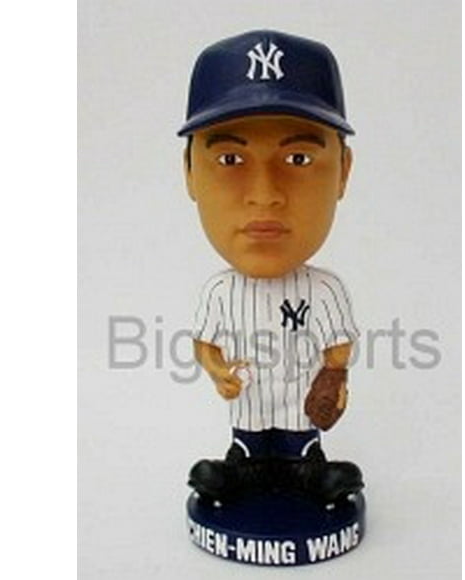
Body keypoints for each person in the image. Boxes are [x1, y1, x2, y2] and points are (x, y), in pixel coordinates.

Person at [178, 30, 364, 505]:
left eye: (298, 158)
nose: (264, 194)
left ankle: (310, 471)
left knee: (302, 449)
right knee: (248, 448)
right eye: (230, 158)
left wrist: (335, 378)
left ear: (343, 171)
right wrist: (217, 370)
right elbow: (204, 343)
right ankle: (240, 469)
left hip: (300, 407)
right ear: (189, 173)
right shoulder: (220, 292)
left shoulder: (324, 290)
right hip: (250, 407)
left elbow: (338, 346)